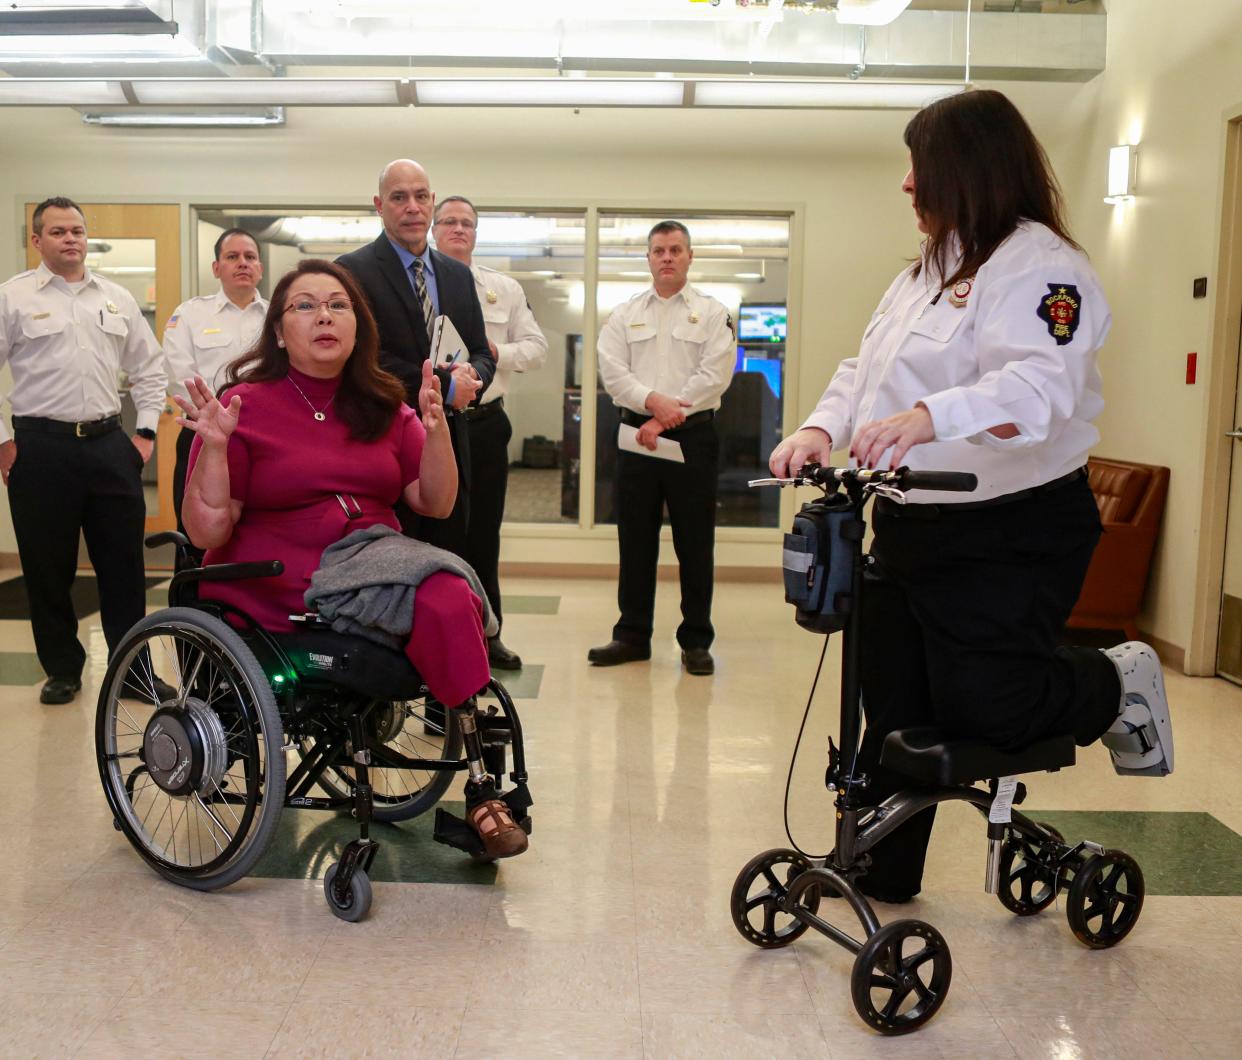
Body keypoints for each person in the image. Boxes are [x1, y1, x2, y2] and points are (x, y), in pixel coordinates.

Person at [769, 89, 1173, 902]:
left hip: (1011, 531)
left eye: (919, 168)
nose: (908, 186)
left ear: (964, 170)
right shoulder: (925, 269)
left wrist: (929, 417)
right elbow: (867, 369)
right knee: (893, 710)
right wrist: (821, 427)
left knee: (990, 708)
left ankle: (1114, 682)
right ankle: (880, 869)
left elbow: (1037, 389)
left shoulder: (1043, 266)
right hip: (912, 525)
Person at [176, 258, 527, 859]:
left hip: (372, 560)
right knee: (438, 587)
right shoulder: (244, 404)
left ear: (358, 326)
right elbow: (207, 529)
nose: (324, 316)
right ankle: (481, 781)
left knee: (447, 590)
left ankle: (480, 786)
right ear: (280, 330)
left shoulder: (385, 404)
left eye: (338, 305)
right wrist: (213, 447)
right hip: (278, 580)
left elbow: (434, 502)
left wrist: (437, 427)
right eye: (305, 306)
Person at [0, 196, 169, 705]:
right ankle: (63, 670)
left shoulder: (114, 297)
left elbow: (150, 368)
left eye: (77, 230)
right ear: (37, 241)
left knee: (124, 567)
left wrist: (144, 436)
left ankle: (132, 672)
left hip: (108, 446)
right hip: (39, 449)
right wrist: (4, 442)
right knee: (47, 566)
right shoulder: (12, 298)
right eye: (57, 231)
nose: (70, 239)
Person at [589, 220, 736, 676]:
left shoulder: (713, 313)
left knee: (695, 541)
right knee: (635, 539)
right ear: (649, 258)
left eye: (675, 249)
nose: (667, 257)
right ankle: (631, 635)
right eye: (659, 250)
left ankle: (696, 640)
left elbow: (715, 375)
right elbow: (611, 371)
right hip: (637, 438)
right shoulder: (625, 312)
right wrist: (652, 405)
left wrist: (666, 416)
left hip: (692, 438)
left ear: (690, 257)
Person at [337, 160, 495, 556]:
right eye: (399, 197)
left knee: (451, 557)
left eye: (421, 196)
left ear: (432, 202)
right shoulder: (351, 272)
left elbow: (481, 348)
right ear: (378, 204)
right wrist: (447, 384)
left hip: (451, 441)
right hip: (385, 441)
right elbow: (365, 358)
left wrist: (472, 376)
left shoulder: (457, 275)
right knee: (392, 562)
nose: (412, 206)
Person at [432, 195, 548, 671]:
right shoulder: (415, 287)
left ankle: (487, 631)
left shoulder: (502, 288)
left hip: (484, 425)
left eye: (468, 223)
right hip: (430, 425)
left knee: (483, 535)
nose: (459, 229)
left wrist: (492, 352)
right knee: (435, 536)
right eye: (450, 222)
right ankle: (433, 637)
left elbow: (536, 348)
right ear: (434, 229)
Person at [163, 227, 268, 552]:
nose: (242, 263)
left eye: (250, 257)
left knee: (259, 525)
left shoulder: (278, 316)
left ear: (260, 268)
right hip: (203, 438)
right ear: (216, 267)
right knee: (198, 535)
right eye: (232, 257)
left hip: (263, 438)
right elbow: (177, 373)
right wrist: (216, 417)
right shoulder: (191, 314)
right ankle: (194, 601)